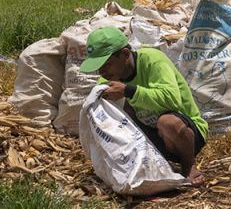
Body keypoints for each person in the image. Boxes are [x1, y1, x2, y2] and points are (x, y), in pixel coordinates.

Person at [79, 27, 207, 186]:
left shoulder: (152, 60)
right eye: (99, 67)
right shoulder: (110, 77)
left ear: (125, 54)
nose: (101, 72)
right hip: (150, 140)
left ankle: (188, 167)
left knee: (167, 122)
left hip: (186, 135)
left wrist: (129, 90)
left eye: (106, 64)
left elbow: (172, 100)